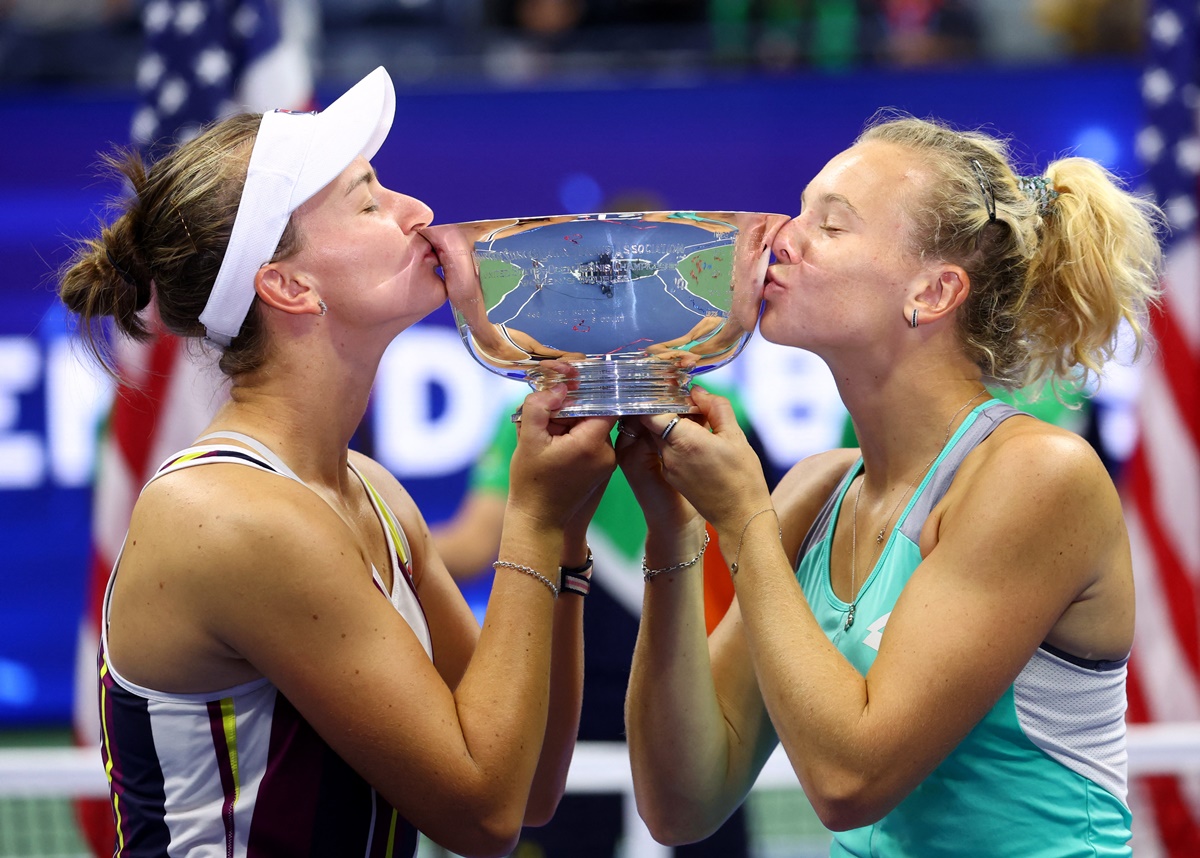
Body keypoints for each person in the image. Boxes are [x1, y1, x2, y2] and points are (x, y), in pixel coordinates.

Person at [58, 67, 617, 858]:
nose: (417, 212)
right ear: (287, 285)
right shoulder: (229, 518)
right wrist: (531, 518)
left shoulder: (371, 492)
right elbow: (483, 817)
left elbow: (531, 790)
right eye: (368, 199)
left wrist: (560, 536)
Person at [618, 112, 1163, 856]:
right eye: (801, 210)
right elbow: (680, 805)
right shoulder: (815, 492)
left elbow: (851, 782)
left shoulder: (1038, 474)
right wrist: (675, 530)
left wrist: (742, 519)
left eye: (831, 225)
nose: (782, 235)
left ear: (934, 292)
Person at [431, 378, 774, 858]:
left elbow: (473, 544)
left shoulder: (535, 415)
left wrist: (385, 540)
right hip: (678, 684)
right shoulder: (716, 408)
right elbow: (764, 546)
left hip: (622, 690)